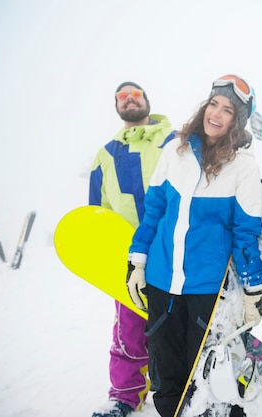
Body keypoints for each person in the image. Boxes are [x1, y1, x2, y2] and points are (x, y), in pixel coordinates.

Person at [126, 75, 262, 417]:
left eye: (228, 109)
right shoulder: (176, 150)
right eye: (214, 104)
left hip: (206, 288)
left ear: (238, 121)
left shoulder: (243, 167)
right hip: (161, 281)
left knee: (208, 377)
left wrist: (252, 291)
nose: (216, 113)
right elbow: (154, 210)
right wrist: (138, 262)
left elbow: (245, 234)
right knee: (166, 375)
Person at [90, 81, 174, 417]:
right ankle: (124, 397)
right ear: (116, 106)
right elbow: (97, 210)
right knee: (129, 327)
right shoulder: (106, 154)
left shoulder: (174, 142)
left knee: (179, 322)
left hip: (174, 251)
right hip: (128, 257)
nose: (128, 100)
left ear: (147, 102)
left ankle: (181, 386)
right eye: (121, 97)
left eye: (135, 94)